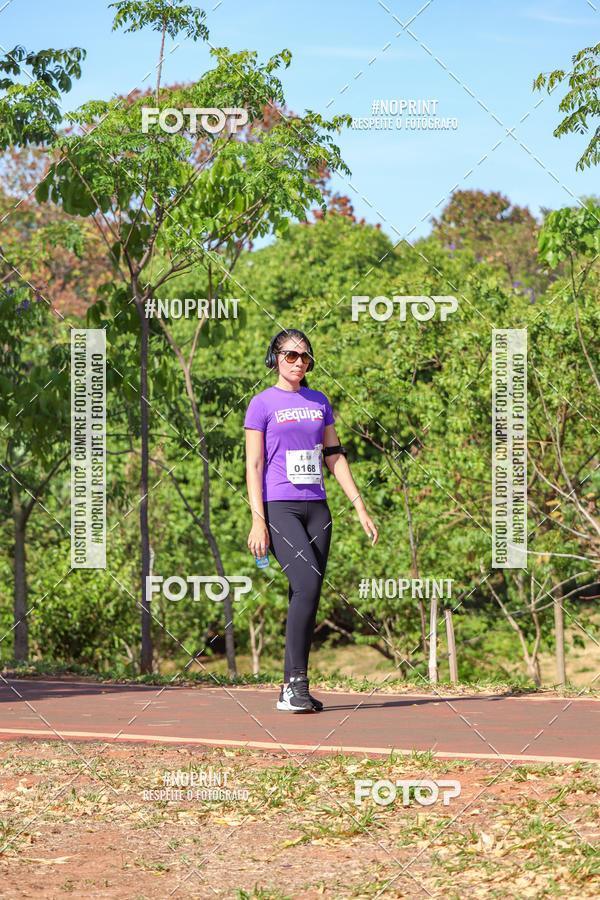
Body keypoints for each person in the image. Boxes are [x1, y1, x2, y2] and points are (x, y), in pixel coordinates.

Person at [244, 327, 379, 713]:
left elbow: (334, 455)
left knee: (308, 592)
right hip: (280, 506)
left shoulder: (319, 400)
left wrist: (359, 505)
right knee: (305, 585)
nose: (299, 362)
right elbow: (253, 465)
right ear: (275, 358)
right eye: (290, 355)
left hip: (317, 507)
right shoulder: (262, 403)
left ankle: (291, 686)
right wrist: (258, 519)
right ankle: (295, 685)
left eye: (305, 357)